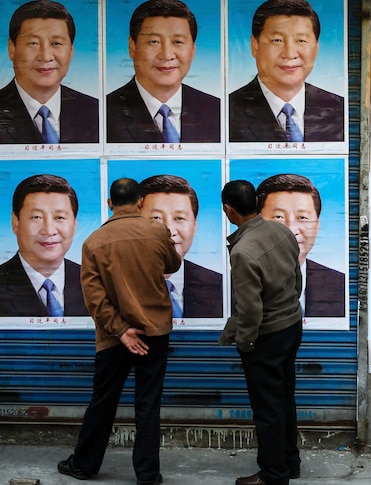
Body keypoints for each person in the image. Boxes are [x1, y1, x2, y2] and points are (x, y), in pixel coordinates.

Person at [58, 178, 181, 485]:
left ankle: (84, 465)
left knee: (103, 400)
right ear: (140, 202)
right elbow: (174, 264)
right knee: (148, 404)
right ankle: (148, 474)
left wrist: (122, 330)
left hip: (114, 338)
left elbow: (94, 298)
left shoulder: (94, 242)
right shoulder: (157, 231)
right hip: (155, 333)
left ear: (110, 204)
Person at [220, 179, 303, 485]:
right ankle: (289, 462)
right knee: (284, 398)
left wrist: (246, 343)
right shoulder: (280, 230)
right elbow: (297, 278)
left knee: (267, 408)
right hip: (291, 326)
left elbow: (250, 309)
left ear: (228, 210)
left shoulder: (243, 251)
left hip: (266, 335)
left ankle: (273, 474)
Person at [229, 0, 345, 143]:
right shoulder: (227, 111)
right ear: (255, 45)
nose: (290, 54)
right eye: (277, 40)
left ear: (316, 48)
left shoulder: (339, 109)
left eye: (301, 41)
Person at [106, 0, 220, 144]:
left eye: (178, 42)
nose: (167, 55)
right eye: (154, 42)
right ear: (132, 47)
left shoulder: (217, 110)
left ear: (193, 50)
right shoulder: (104, 111)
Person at [0, 0, 98, 144]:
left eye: (56, 43)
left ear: (71, 50)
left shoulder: (97, 112)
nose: (46, 56)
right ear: (12, 48)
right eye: (33, 43)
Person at [257, 173, 345, 317]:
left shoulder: (340, 285)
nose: (291, 230)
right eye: (278, 217)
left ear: (317, 225)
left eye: (302, 218)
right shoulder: (227, 286)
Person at [0, 174, 87, 316]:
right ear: (15, 222)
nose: (49, 230)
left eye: (59, 217)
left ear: (74, 224)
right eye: (36, 217)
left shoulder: (94, 282)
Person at [140, 174, 223, 318]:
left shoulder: (222, 286)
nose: (169, 231)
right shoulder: (103, 284)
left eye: (179, 218)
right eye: (156, 218)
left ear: (194, 226)